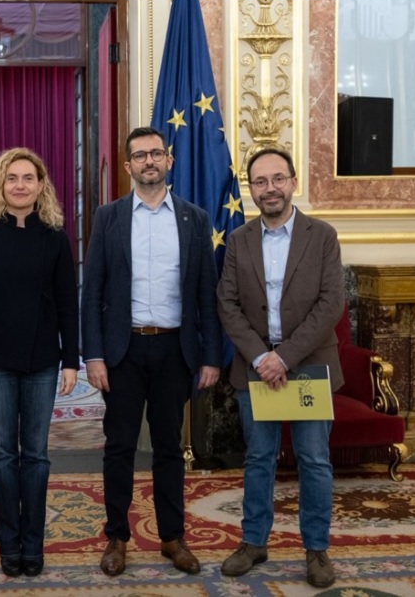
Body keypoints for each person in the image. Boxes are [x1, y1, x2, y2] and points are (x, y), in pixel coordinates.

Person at [82, 126, 221, 577]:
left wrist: (211, 356)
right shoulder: (109, 217)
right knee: (119, 446)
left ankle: (171, 537)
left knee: (168, 447)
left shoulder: (195, 219)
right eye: (140, 155)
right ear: (127, 167)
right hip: (122, 352)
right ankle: (117, 539)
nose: (149, 161)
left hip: (175, 350)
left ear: (169, 161)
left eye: (156, 153)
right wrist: (94, 355)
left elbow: (207, 294)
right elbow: (93, 291)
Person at [216, 148, 344, 589]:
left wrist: (284, 358)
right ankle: (253, 543)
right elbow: (227, 305)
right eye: (259, 181)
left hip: (307, 367)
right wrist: (260, 358)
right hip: (255, 368)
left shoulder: (322, 235)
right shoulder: (239, 239)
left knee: (313, 459)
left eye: (277, 179)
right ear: (250, 188)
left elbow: (331, 303)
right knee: (258, 458)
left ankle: (316, 549)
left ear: (292, 182)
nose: (269, 188)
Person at [0, 148, 79, 578]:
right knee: (4, 454)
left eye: (29, 178)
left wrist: (71, 361)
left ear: (42, 186)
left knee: (38, 456)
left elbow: (69, 304)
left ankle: (34, 542)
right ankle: (9, 544)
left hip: (45, 361)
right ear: (0, 185)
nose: (21, 185)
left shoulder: (56, 238)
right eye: (13, 178)